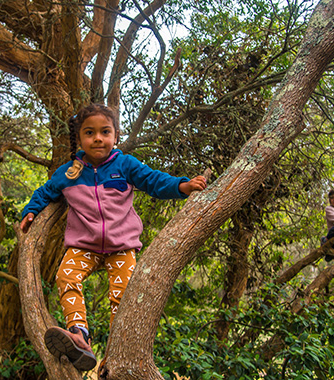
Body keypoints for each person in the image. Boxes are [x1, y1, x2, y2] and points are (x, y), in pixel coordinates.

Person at [20, 104, 207, 371]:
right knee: (66, 276)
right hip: (84, 246)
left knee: (122, 299)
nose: (98, 138)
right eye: (90, 133)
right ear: (80, 139)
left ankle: (112, 358)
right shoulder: (69, 173)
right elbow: (44, 192)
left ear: (115, 136)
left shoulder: (125, 164)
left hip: (121, 247)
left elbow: (154, 180)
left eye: (105, 132)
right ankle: (79, 336)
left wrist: (182, 185)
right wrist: (30, 212)